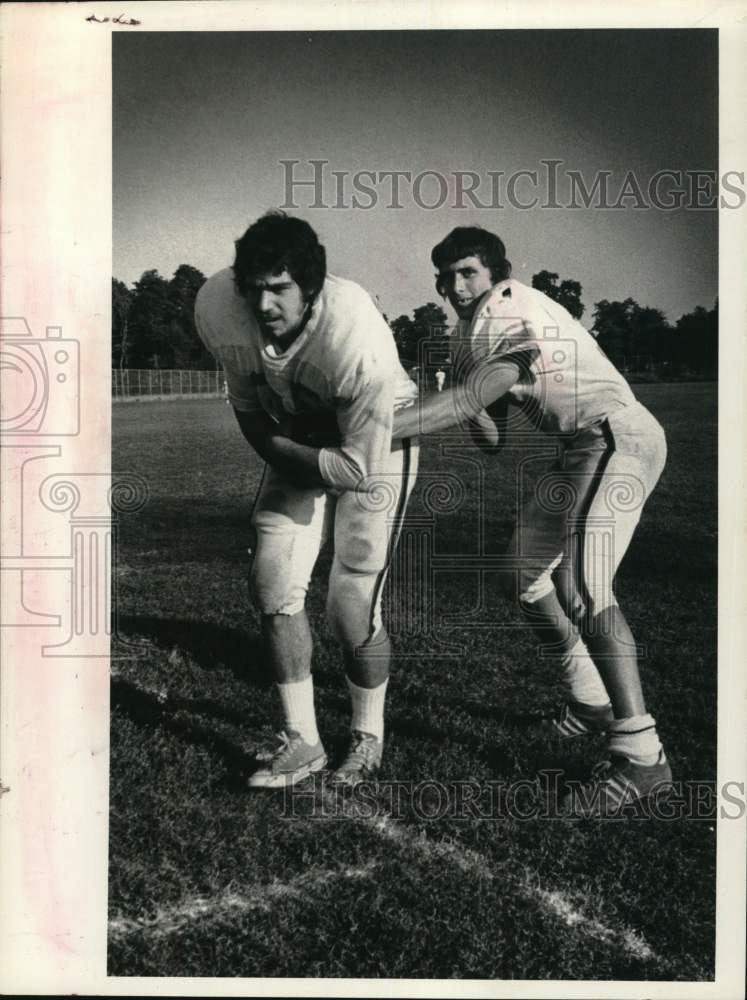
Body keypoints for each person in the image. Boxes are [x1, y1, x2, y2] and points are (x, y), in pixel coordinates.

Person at [390, 226, 671, 817]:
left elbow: (485, 390)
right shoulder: (470, 334)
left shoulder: (509, 304)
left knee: (588, 585)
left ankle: (643, 757)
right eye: (445, 275)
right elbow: (491, 437)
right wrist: (465, 396)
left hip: (618, 435)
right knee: (521, 574)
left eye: (467, 272)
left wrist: (393, 423)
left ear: (496, 273)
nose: (455, 285)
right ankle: (590, 698)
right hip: (574, 450)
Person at [195, 211, 418, 788]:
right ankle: (303, 741)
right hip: (295, 435)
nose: (264, 304)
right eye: (254, 287)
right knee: (271, 581)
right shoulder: (219, 306)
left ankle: (367, 736)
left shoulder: (354, 336)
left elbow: (351, 467)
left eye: (280, 287)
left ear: (311, 286)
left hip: (375, 443)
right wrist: (286, 444)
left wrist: (292, 445)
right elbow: (248, 411)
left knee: (350, 609)